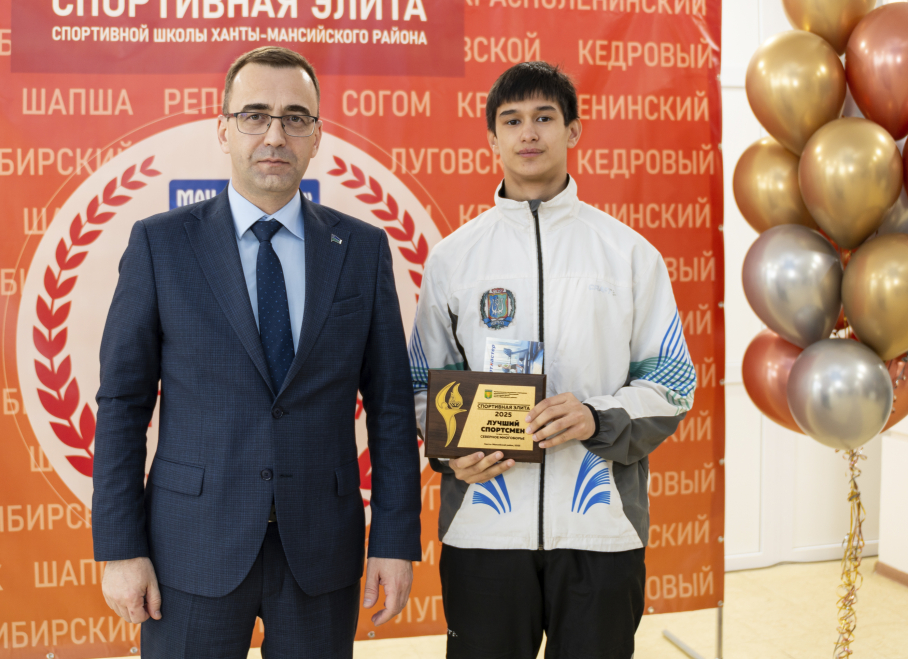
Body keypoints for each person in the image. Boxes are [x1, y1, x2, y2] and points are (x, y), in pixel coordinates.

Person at [92, 46, 422, 659]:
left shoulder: (362, 250)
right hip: (190, 549)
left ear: (317, 135)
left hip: (321, 551)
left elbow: (392, 408)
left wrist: (394, 540)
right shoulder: (160, 245)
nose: (275, 135)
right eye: (254, 116)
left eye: (295, 118)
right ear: (224, 130)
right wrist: (119, 547)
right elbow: (122, 404)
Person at [409, 61, 695, 658]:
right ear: (492, 139)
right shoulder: (453, 259)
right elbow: (420, 383)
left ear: (574, 130)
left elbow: (672, 381)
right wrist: (450, 450)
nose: (529, 133)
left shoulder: (630, 254)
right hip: (484, 531)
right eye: (512, 121)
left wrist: (597, 415)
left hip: (601, 531)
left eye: (544, 117)